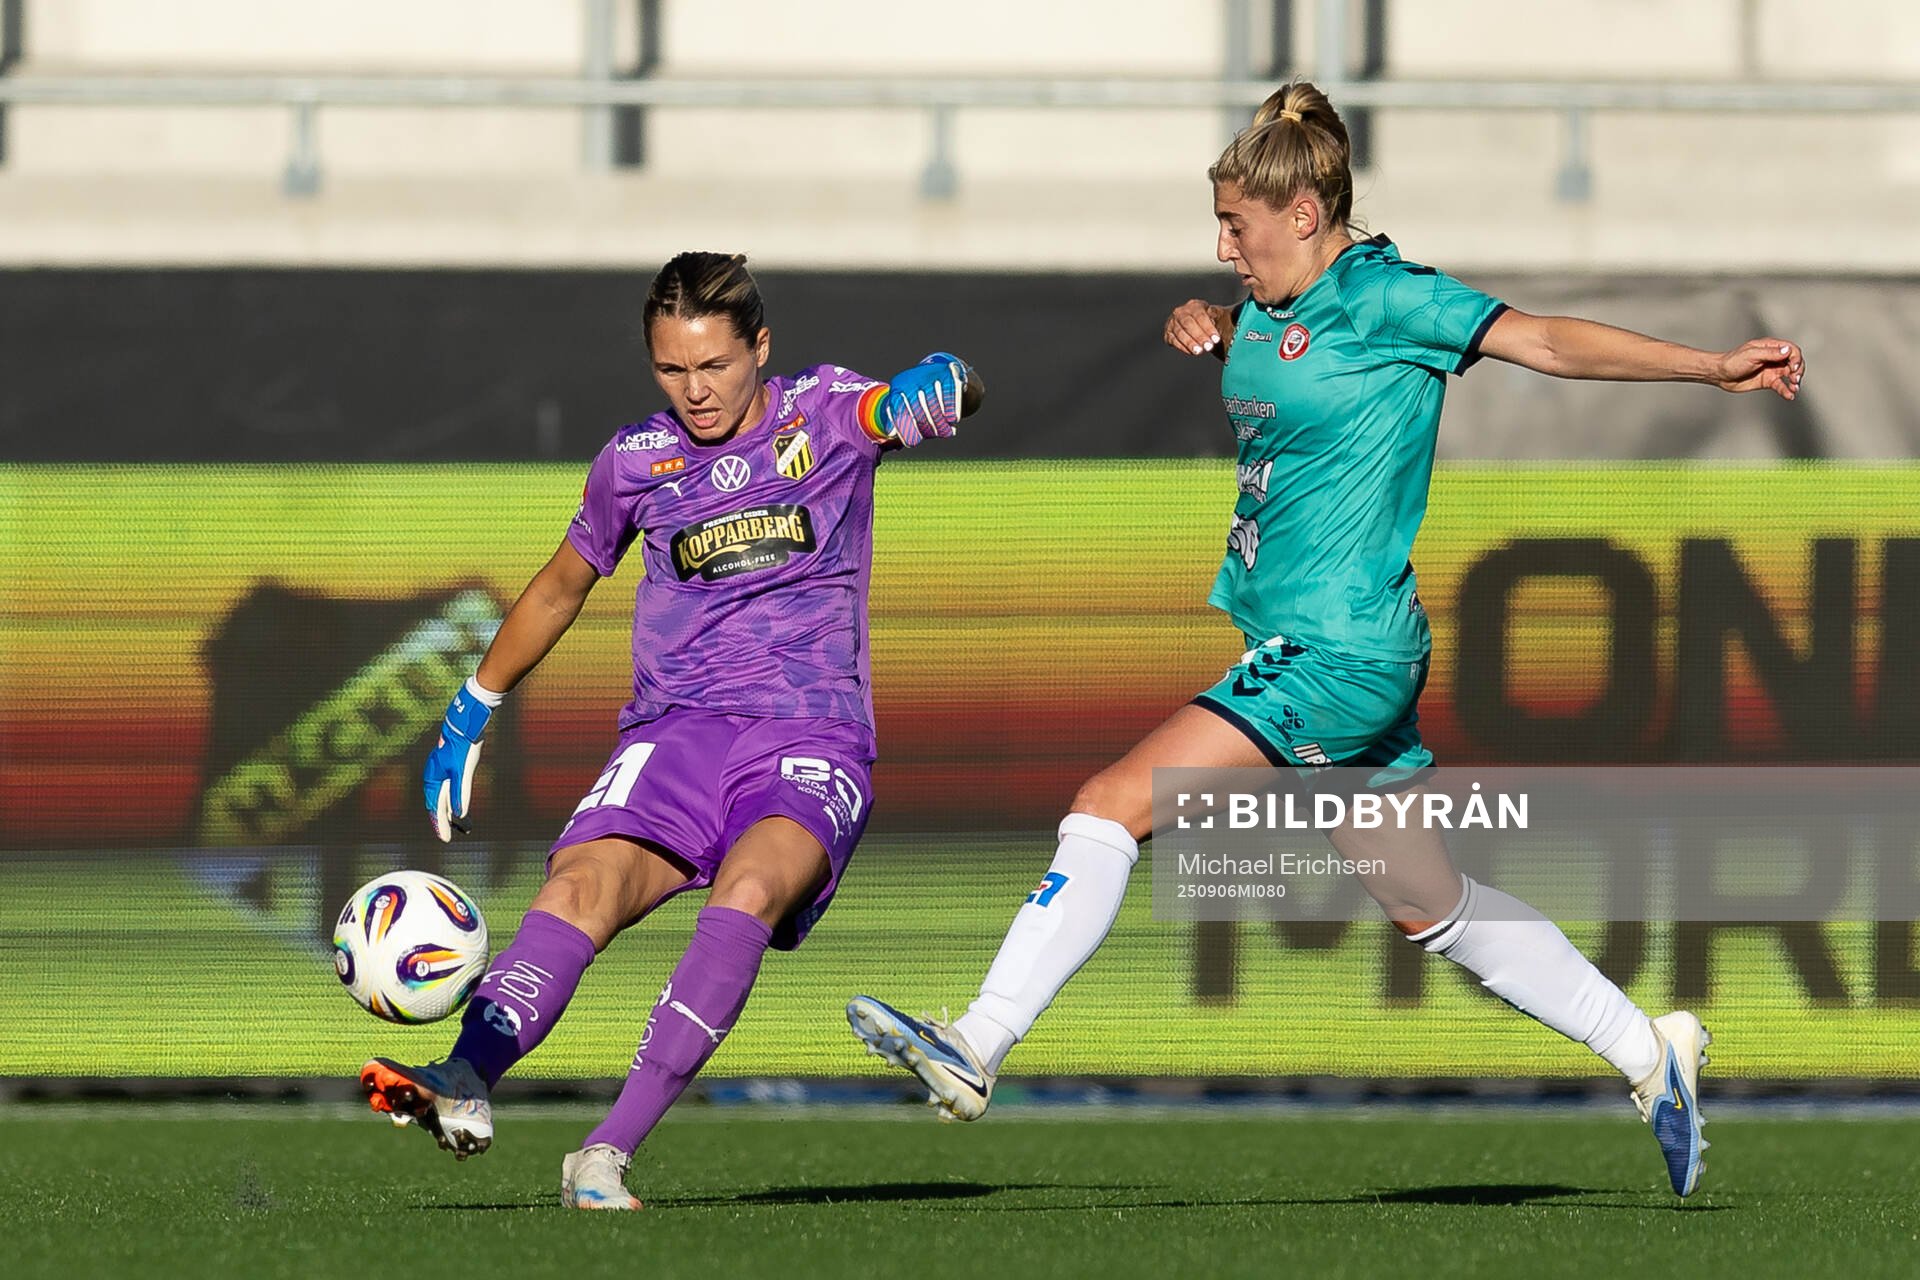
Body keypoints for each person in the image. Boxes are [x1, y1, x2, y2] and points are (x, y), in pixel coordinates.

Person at [847, 81, 1803, 1199]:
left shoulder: (1391, 296)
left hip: (1335, 651)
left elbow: (1544, 338)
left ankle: (979, 1039)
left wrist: (1711, 366)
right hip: (1339, 642)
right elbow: (1289, 359)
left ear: (1305, 214)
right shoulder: (1267, 308)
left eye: (1235, 226)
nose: (1223, 247)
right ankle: (1650, 1048)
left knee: (1109, 805)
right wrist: (1214, 329)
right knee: (1427, 901)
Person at [361, 250, 981, 1210]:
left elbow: (927, 395)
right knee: (579, 886)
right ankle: (464, 1074)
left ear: (760, 348)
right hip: (675, 733)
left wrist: (941, 383)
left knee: (749, 889)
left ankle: (603, 1154)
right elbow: (561, 586)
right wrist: (473, 704)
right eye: (672, 369)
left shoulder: (826, 411)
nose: (695, 391)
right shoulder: (635, 461)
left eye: (715, 366)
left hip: (808, 735)